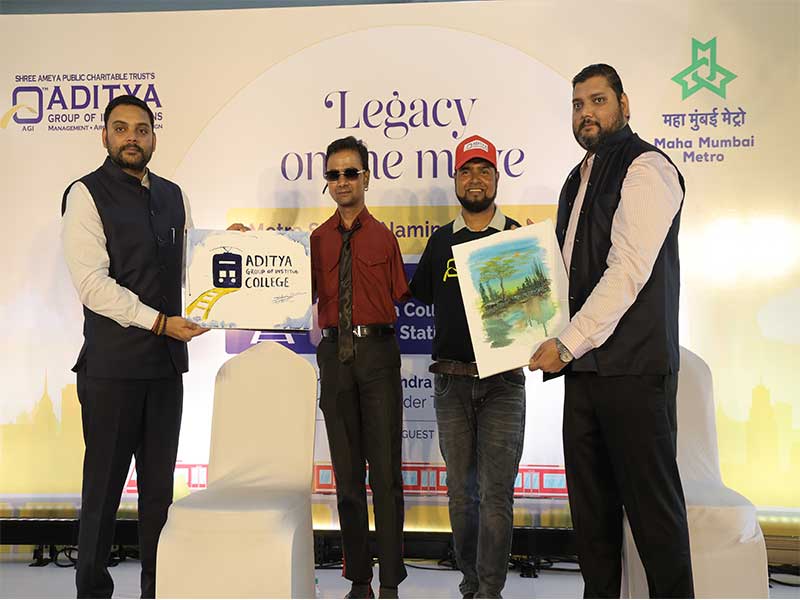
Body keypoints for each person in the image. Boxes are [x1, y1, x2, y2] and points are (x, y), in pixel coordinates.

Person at [529, 64, 693, 598]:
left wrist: (566, 343)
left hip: (633, 374)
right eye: (578, 104)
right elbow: (566, 274)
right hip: (583, 375)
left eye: (598, 100)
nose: (586, 113)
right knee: (592, 523)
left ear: (624, 103)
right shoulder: (575, 179)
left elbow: (627, 272)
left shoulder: (647, 167)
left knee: (654, 520)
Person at [61, 94, 219, 598]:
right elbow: (92, 285)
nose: (132, 137)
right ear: (105, 136)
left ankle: (157, 589)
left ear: (153, 137)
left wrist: (231, 247)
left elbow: (192, 267)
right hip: (111, 371)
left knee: (158, 497)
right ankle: (92, 589)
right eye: (121, 128)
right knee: (102, 494)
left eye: (142, 129)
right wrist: (159, 323)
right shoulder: (85, 194)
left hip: (165, 370)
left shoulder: (173, 195)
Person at [410, 135, 526, 599]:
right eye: (466, 171)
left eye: (484, 170)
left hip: (503, 383)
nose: (475, 179)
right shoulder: (441, 241)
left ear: (497, 178)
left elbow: (539, 308)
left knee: (496, 495)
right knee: (461, 494)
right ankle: (470, 585)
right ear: (455, 179)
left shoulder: (518, 237)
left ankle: (490, 592)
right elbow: (419, 293)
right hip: (451, 383)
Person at [311, 136, 410, 599]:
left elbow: (404, 294)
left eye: (351, 172)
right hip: (334, 357)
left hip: (377, 357)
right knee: (348, 479)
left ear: (366, 178)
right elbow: (283, 291)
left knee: (385, 475)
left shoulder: (385, 238)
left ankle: (389, 582)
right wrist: (246, 243)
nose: (343, 181)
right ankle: (359, 581)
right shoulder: (315, 241)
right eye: (334, 174)